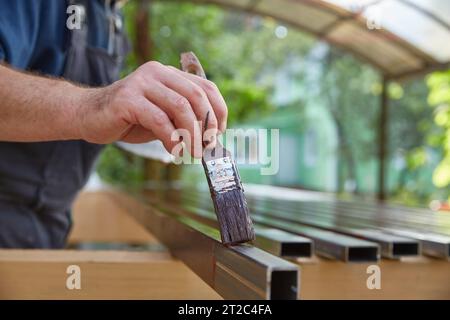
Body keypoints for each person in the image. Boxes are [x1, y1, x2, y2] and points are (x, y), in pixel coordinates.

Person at [0, 0, 227, 248]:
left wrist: (136, 123)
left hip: (46, 233)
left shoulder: (112, 19)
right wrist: (93, 105)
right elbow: (88, 108)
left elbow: (86, 121)